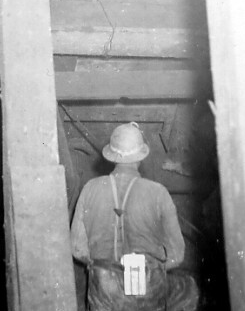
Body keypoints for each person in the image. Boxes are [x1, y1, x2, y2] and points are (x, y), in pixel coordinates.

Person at [70, 122, 199, 310]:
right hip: (147, 289)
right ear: (141, 156)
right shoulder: (158, 192)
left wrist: (103, 265)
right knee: (188, 287)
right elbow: (177, 255)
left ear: (111, 156)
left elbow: (77, 249)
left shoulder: (90, 189)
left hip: (104, 290)